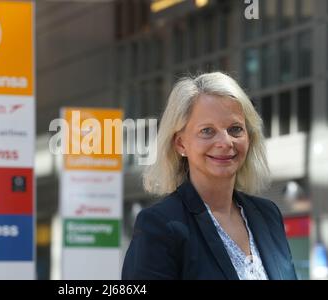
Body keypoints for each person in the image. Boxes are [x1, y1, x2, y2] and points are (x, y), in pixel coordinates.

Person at [122, 72, 297, 280]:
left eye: (235, 129)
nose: (225, 142)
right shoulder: (160, 225)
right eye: (207, 131)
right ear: (180, 144)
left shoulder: (268, 215)